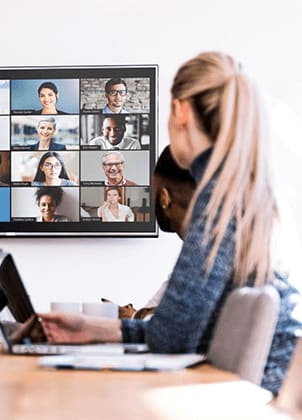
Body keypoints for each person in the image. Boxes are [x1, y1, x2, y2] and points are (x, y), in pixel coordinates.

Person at [38, 52, 302, 395]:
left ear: (180, 111)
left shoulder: (217, 200)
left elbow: (173, 338)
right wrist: (91, 329)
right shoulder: (243, 191)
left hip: (253, 397)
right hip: (266, 391)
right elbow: (184, 329)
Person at [117, 145, 197, 319]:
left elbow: (170, 325)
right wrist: (136, 316)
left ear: (164, 198)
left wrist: (135, 317)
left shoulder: (199, 260)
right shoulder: (198, 253)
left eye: (152, 191)